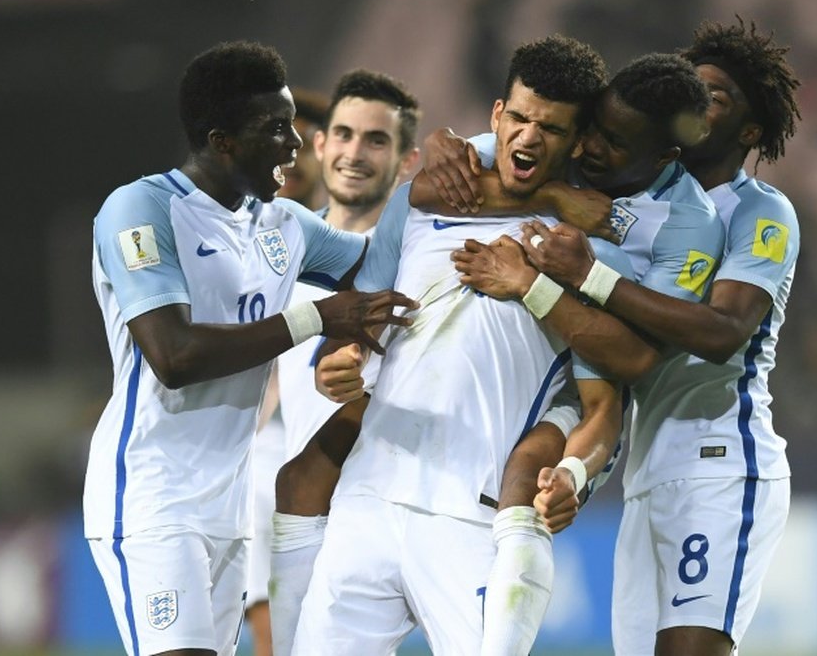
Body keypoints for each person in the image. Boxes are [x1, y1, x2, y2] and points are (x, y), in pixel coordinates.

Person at [455, 19, 802, 656]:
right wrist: (449, 148)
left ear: (750, 131)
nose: (695, 106)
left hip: (720, 460)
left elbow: (723, 332)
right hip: (647, 468)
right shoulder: (632, 191)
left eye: (717, 98)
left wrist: (587, 274)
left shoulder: (759, 211)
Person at [82, 40, 415, 656]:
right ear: (221, 141)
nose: (294, 144)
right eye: (275, 129)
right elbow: (174, 356)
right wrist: (315, 317)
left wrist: (443, 181)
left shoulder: (283, 225)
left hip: (230, 510)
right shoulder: (141, 209)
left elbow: (384, 269)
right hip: (153, 498)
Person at [291, 34, 621, 655]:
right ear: (497, 116)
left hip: (470, 512)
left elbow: (604, 398)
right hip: (369, 497)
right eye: (519, 118)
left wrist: (573, 471)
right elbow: (360, 311)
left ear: (577, 143)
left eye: (550, 128)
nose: (528, 137)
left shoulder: (585, 245)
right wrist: (340, 359)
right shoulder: (422, 204)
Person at [422, 51, 724, 652]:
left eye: (614, 142)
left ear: (664, 156)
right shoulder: (564, 150)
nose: (589, 149)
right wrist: (441, 143)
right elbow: (441, 178)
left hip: (588, 376)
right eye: (590, 128)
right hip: (513, 361)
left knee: (527, 474)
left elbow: (634, 360)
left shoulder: (689, 225)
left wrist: (541, 284)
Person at [262, 68, 422, 656]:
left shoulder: (420, 263)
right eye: (344, 134)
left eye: (377, 140)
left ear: (408, 162)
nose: (356, 152)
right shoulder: (278, 258)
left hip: (396, 511)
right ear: (320, 144)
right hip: (299, 511)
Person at [244, 85, 329, 656]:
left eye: (301, 142)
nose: (289, 156)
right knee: (256, 480)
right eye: (277, 140)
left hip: (365, 439)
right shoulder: (238, 243)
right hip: (282, 442)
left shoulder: (354, 244)